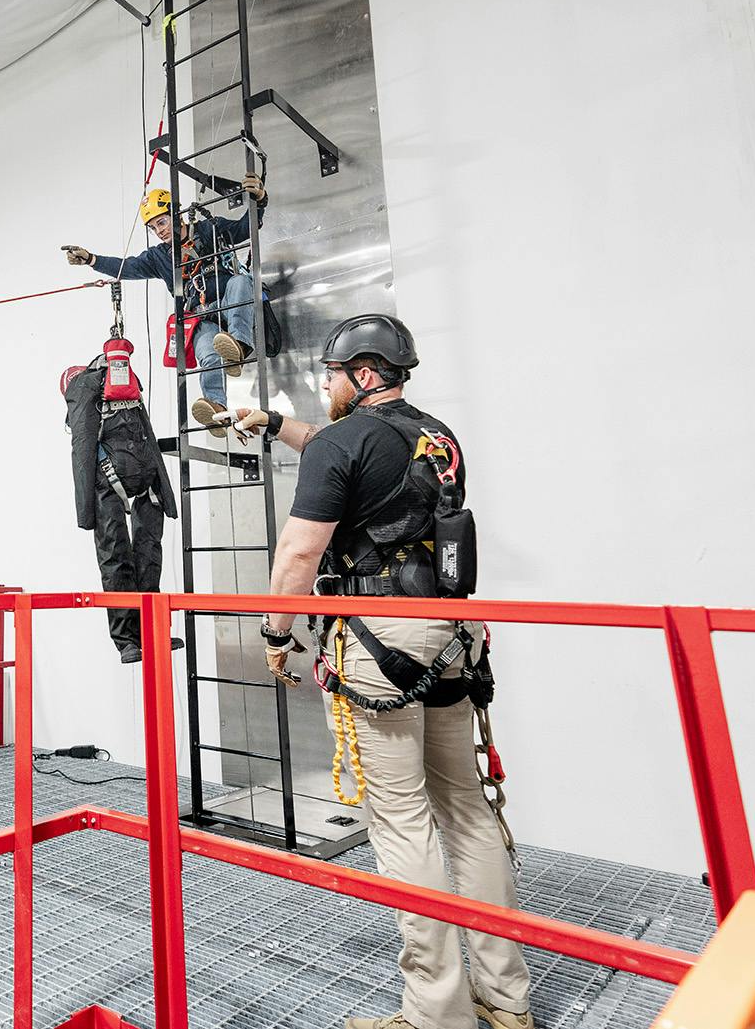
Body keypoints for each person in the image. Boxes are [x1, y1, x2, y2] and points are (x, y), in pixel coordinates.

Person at [241, 315, 532, 1029]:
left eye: (333, 375)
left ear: (365, 372)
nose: (326, 386)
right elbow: (353, 458)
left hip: (380, 640)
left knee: (402, 822)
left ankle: (437, 1015)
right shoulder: (434, 435)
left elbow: (298, 557)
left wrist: (276, 631)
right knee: (466, 808)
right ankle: (505, 1000)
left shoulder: (344, 440)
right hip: (454, 634)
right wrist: (278, 423)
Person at [63, 174, 267, 436]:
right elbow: (126, 267)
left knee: (240, 282)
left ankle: (238, 346)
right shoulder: (158, 256)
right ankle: (217, 408)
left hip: (231, 303)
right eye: (153, 227)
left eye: (161, 222)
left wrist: (259, 201)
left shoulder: (209, 229)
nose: (159, 230)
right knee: (207, 354)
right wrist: (92, 260)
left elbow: (244, 229)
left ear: (176, 214)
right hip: (201, 316)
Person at [61, 359, 183, 662]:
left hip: (114, 484)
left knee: (119, 558)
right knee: (144, 557)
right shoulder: (114, 389)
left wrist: (85, 512)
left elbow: (82, 455)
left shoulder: (88, 394)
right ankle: (140, 636)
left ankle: (133, 639)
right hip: (141, 482)